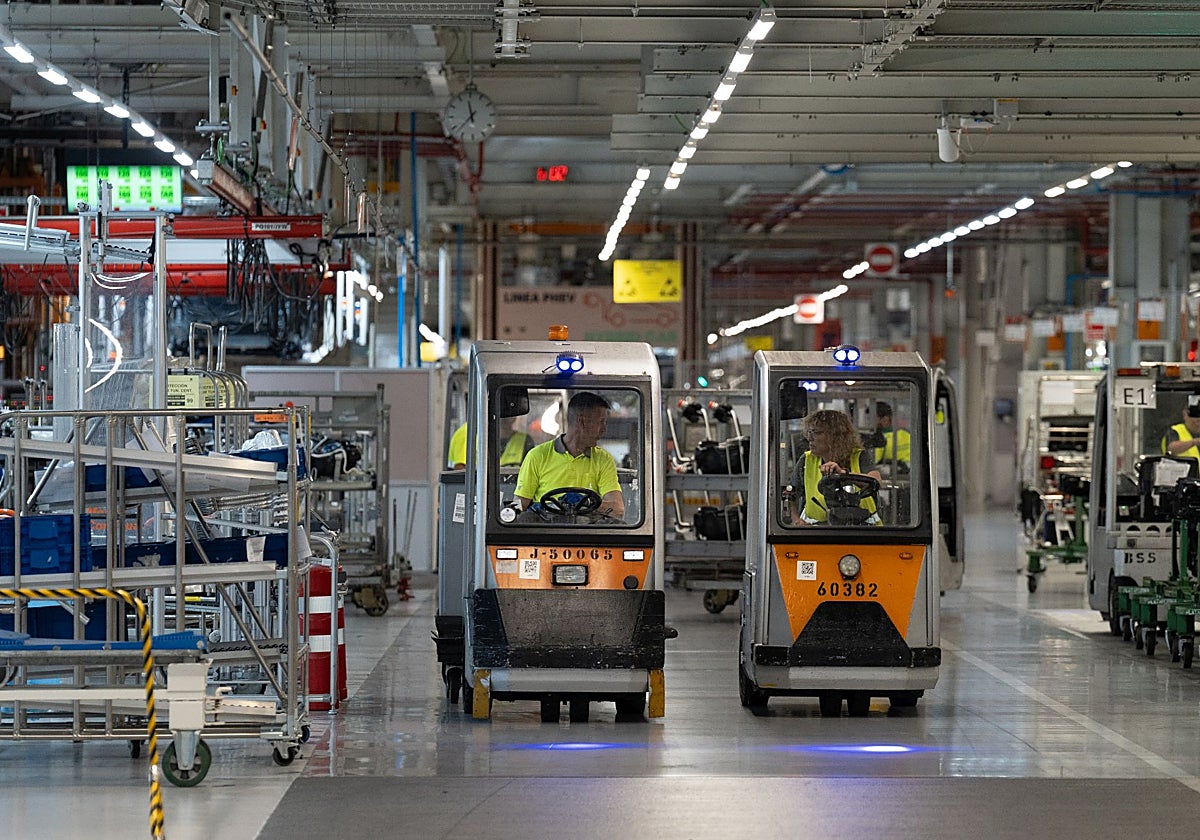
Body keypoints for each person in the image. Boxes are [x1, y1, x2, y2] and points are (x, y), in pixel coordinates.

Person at [514, 391, 625, 518]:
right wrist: (533, 509)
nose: (604, 429)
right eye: (601, 422)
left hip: (588, 529)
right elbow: (518, 505)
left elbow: (618, 510)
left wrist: (588, 503)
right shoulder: (537, 456)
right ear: (582, 422)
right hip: (545, 529)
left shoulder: (603, 459)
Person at [792, 409, 882, 525]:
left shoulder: (859, 456)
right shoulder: (806, 460)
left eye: (816, 432)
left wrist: (843, 474)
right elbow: (790, 494)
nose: (810, 438)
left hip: (862, 530)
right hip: (817, 531)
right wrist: (796, 520)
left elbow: (876, 481)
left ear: (835, 436)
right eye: (809, 432)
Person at [873, 401, 911, 471]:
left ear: (885, 419)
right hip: (910, 472)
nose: (871, 421)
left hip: (891, 474)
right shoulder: (906, 434)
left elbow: (873, 462)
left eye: (874, 418)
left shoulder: (879, 438)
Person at [1161, 398, 1200, 464]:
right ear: (1185, 415)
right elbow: (1171, 449)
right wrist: (1194, 442)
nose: (1197, 423)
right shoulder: (1175, 430)